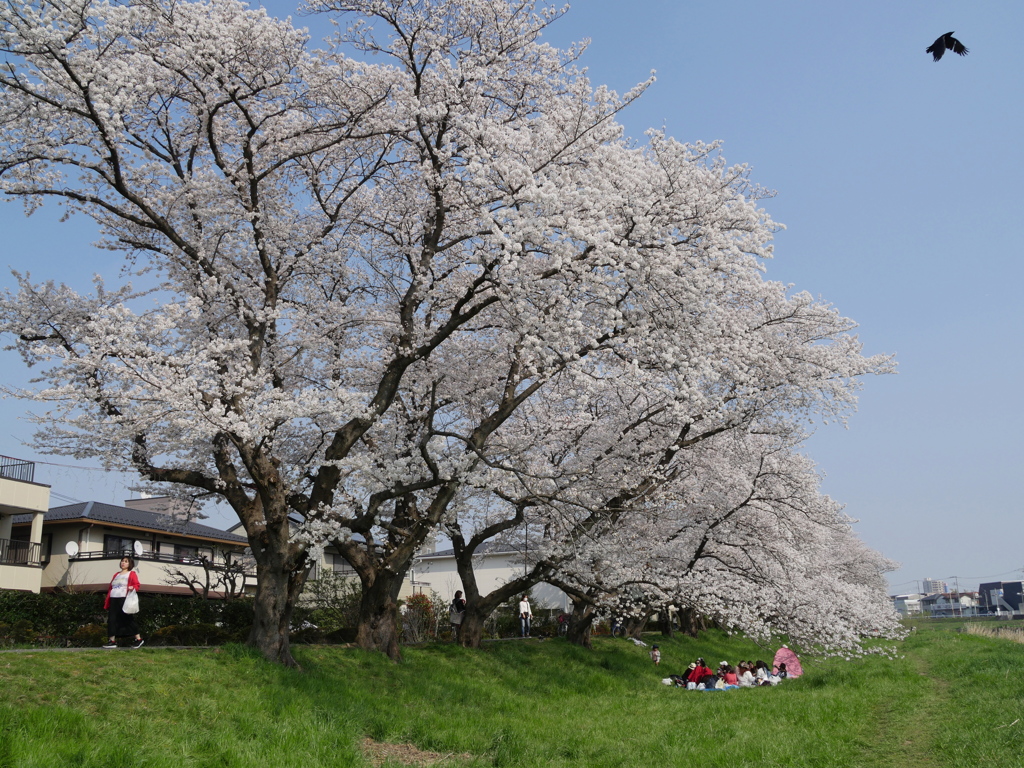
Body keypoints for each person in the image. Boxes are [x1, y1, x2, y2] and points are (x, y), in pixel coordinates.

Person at [103, 556, 143, 649]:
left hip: (124, 598)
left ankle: (138, 639)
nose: (123, 563)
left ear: (130, 564)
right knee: (112, 620)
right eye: (122, 561)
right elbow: (111, 587)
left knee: (127, 619)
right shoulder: (116, 574)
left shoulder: (131, 574)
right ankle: (112, 641)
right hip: (114, 598)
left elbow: (137, 585)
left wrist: (132, 587)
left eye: (126, 561)